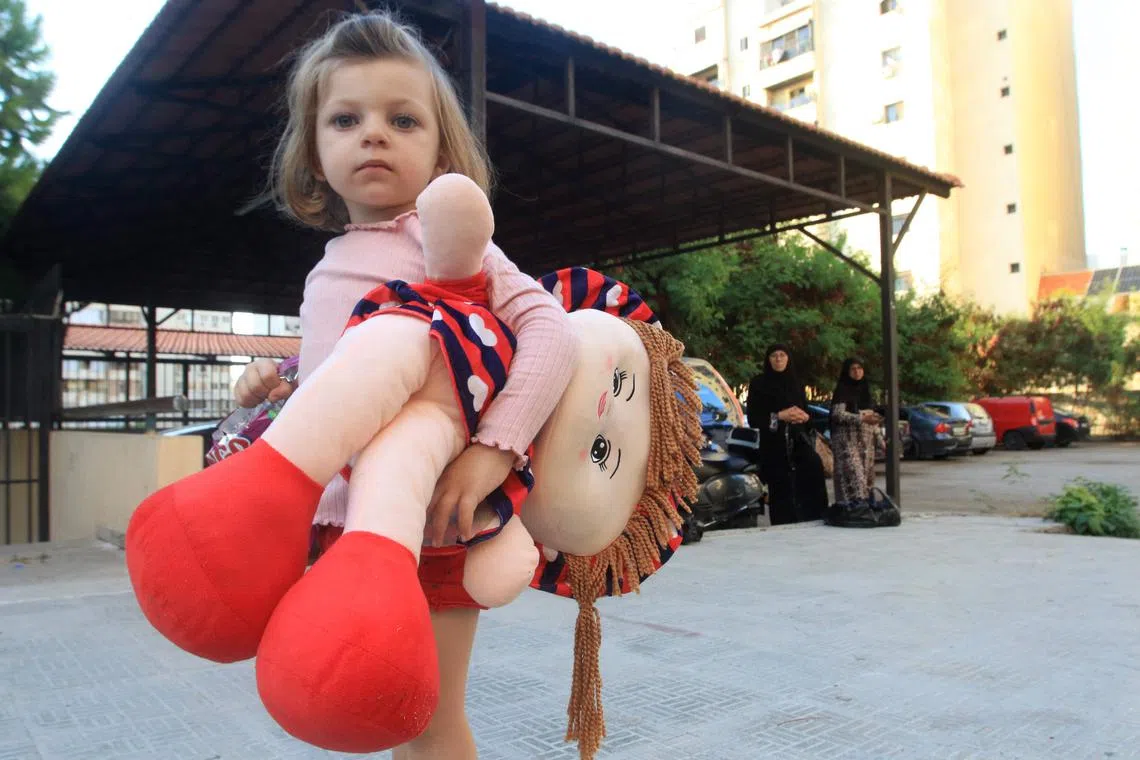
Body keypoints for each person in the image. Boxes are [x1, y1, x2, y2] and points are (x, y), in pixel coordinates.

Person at [229, 12, 576, 759]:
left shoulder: (446, 238)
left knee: (426, 718)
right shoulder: (328, 265)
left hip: (435, 525)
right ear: (316, 153)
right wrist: (277, 378)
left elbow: (550, 333)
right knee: (384, 715)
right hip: (346, 528)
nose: (373, 133)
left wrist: (494, 449)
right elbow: (345, 375)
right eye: (346, 118)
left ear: (442, 151)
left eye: (403, 118)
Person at [745, 344, 828, 524]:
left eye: (782, 355)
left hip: (799, 443)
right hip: (774, 446)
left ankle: (813, 520)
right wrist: (779, 416)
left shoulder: (796, 383)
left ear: (788, 359)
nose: (779, 359)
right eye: (774, 356)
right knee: (781, 490)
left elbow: (806, 414)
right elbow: (754, 418)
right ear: (768, 360)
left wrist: (804, 417)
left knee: (812, 470)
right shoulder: (759, 384)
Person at [829, 357, 881, 503]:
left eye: (860, 368)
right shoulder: (842, 390)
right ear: (847, 371)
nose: (857, 372)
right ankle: (851, 512)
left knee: (867, 480)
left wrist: (881, 439)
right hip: (846, 441)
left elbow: (871, 417)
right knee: (854, 476)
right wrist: (861, 418)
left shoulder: (866, 390)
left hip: (866, 441)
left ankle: (864, 513)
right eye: (853, 369)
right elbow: (837, 414)